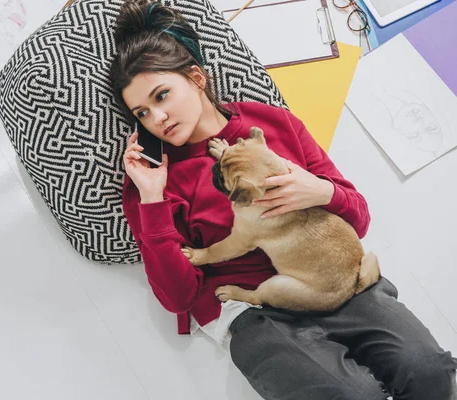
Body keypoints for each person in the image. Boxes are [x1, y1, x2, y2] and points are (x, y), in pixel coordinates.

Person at [109, 1, 457, 399]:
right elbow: (178, 297)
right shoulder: (151, 180)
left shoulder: (271, 123)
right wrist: (152, 200)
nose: (157, 118)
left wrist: (321, 191)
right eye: (142, 112)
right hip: (255, 313)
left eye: (162, 95)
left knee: (431, 373)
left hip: (334, 277)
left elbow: (358, 220)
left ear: (197, 78)